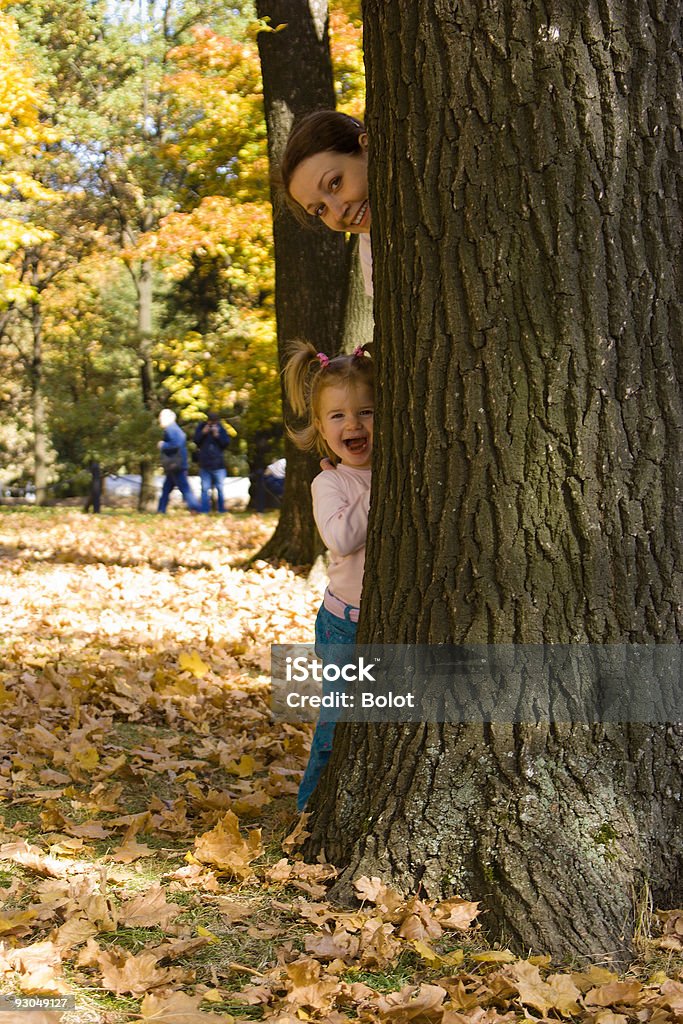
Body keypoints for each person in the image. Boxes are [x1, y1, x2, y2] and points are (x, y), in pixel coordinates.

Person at [283, 340, 373, 810]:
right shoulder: (330, 483)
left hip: (390, 622)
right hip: (346, 624)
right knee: (339, 721)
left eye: (366, 412)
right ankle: (309, 809)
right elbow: (340, 538)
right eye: (337, 416)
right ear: (320, 428)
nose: (353, 425)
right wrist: (377, 490)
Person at [278, 110, 373, 297]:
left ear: (366, 146)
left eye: (335, 183)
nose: (338, 213)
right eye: (321, 209)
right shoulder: (372, 257)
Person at [157, 409, 200, 514]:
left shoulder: (172, 429)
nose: (160, 419)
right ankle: (161, 510)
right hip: (175, 464)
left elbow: (176, 444)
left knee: (184, 489)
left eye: (162, 417)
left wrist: (163, 445)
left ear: (170, 418)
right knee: (166, 489)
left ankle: (196, 508)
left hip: (176, 464)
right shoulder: (172, 429)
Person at [193, 412, 230, 513]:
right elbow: (196, 440)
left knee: (220, 488)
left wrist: (217, 435)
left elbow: (226, 443)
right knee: (205, 489)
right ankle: (204, 510)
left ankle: (221, 509)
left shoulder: (221, 429)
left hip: (218, 465)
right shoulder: (202, 427)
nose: (212, 424)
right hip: (205, 464)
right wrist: (203, 433)